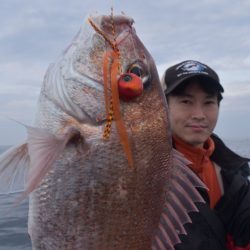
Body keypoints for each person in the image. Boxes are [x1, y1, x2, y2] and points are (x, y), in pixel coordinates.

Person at [161, 60, 250, 250]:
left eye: (209, 102)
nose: (199, 114)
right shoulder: (141, 171)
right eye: (186, 101)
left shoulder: (236, 174)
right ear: (164, 106)